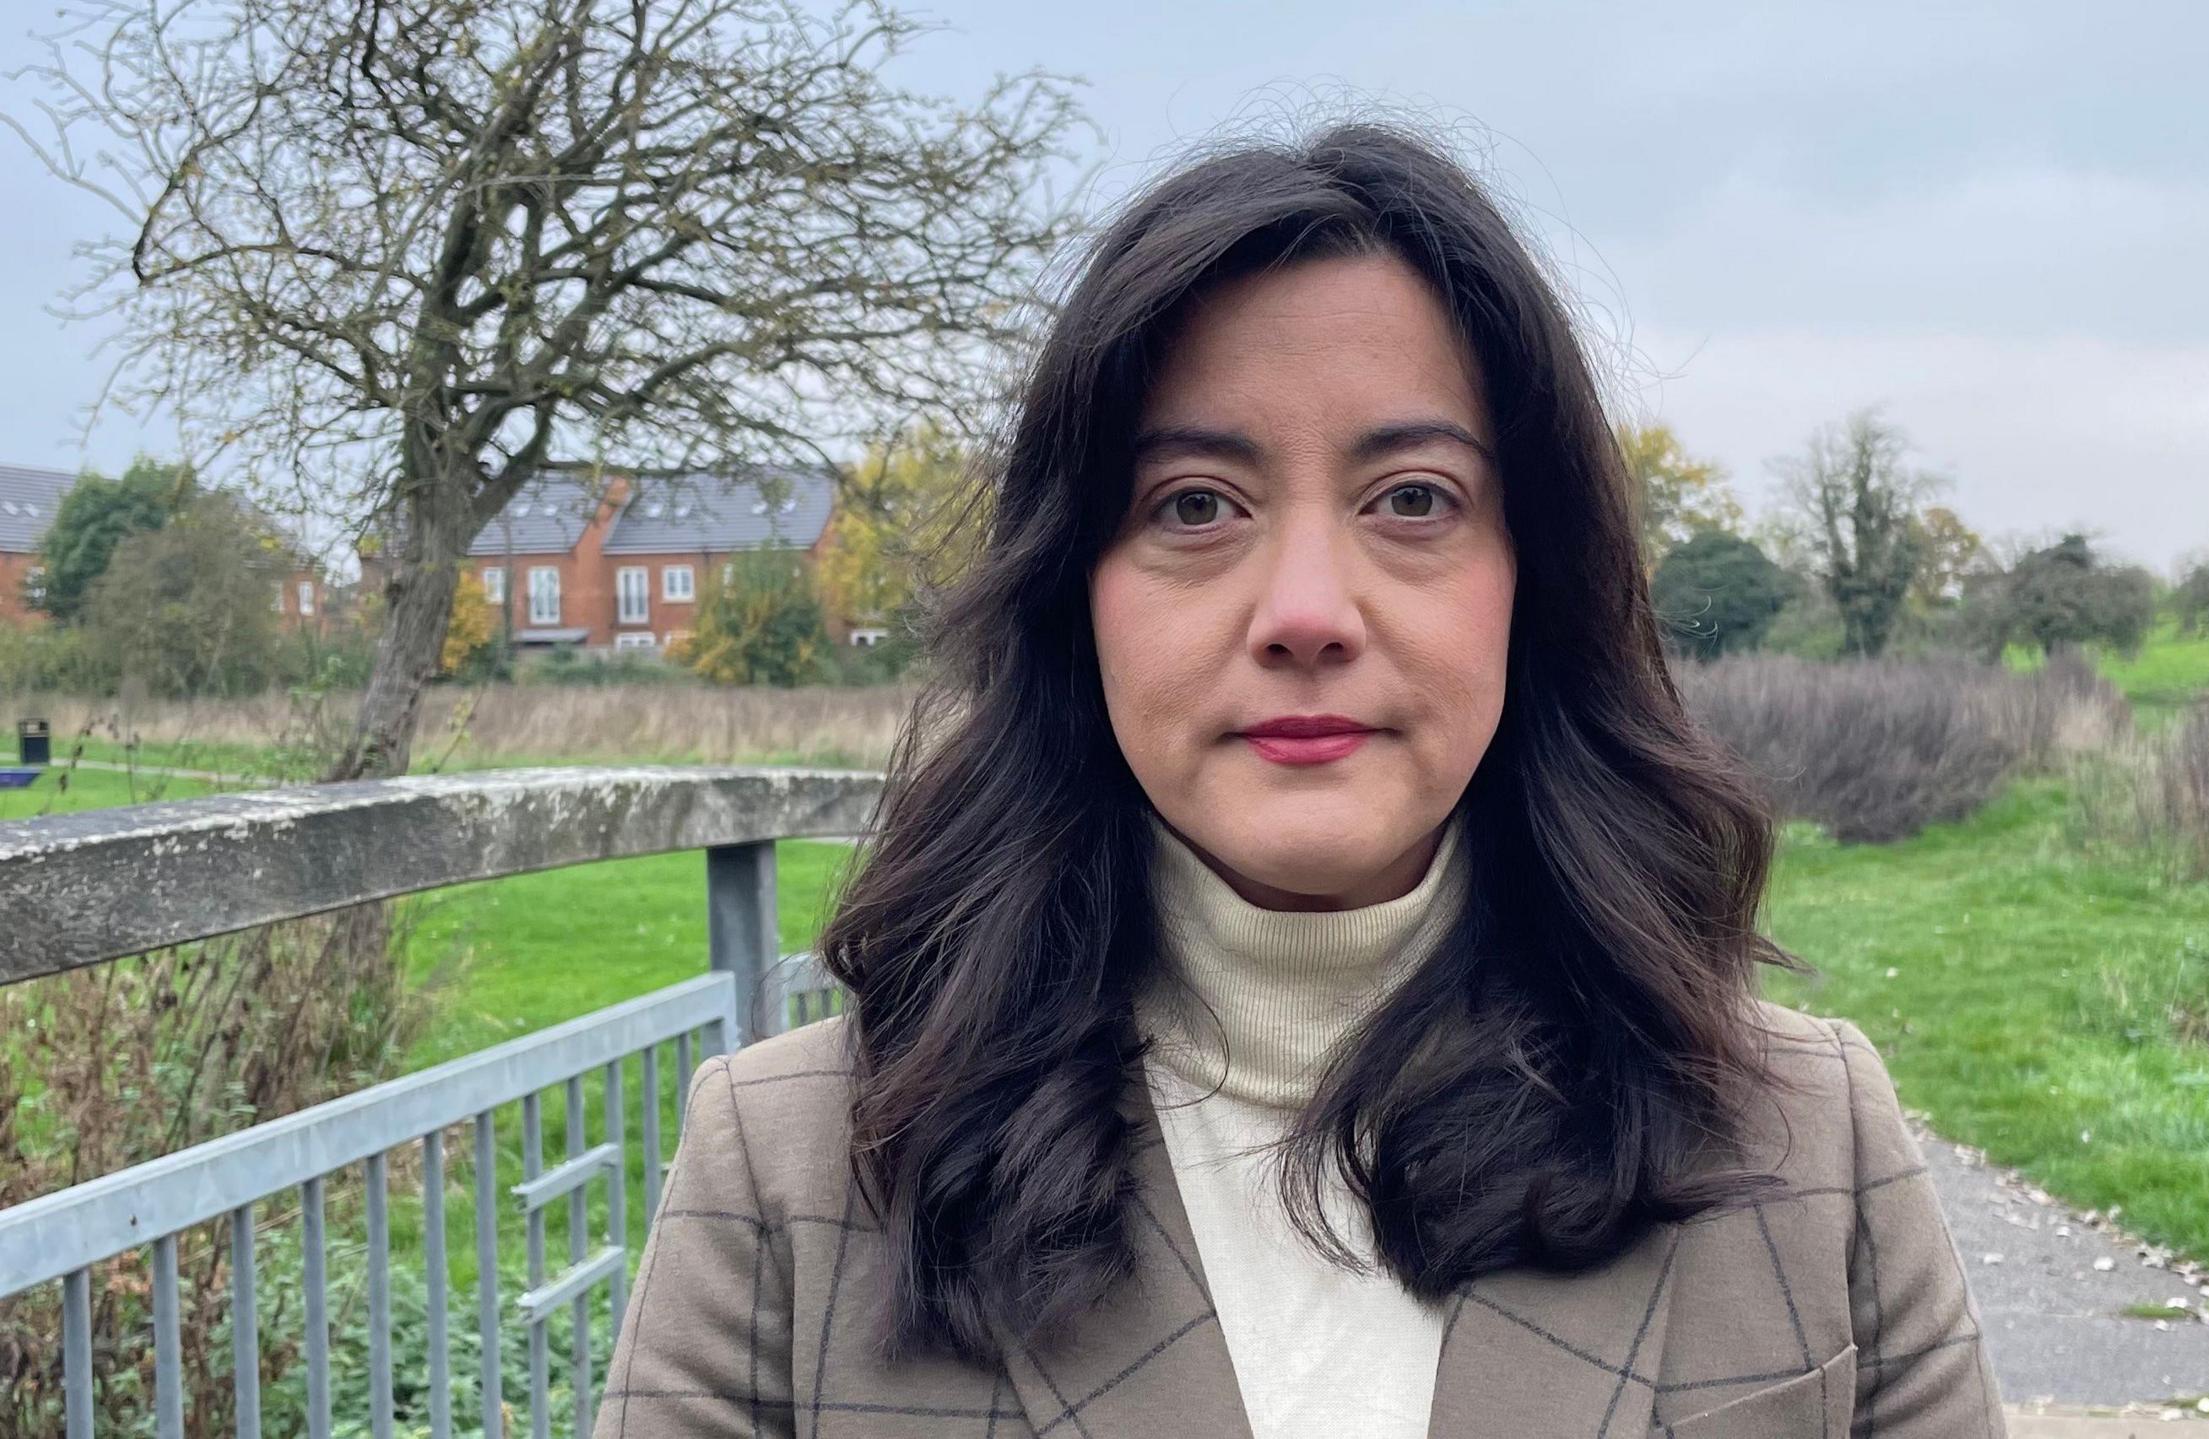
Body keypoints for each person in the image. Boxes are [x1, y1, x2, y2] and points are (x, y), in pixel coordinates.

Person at [600, 123, 2005, 1438]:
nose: (1307, 611)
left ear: (1534, 579)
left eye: (1414, 501)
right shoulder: (791, 1173)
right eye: (1195, 507)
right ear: (1074, 598)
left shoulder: (1809, 1145)